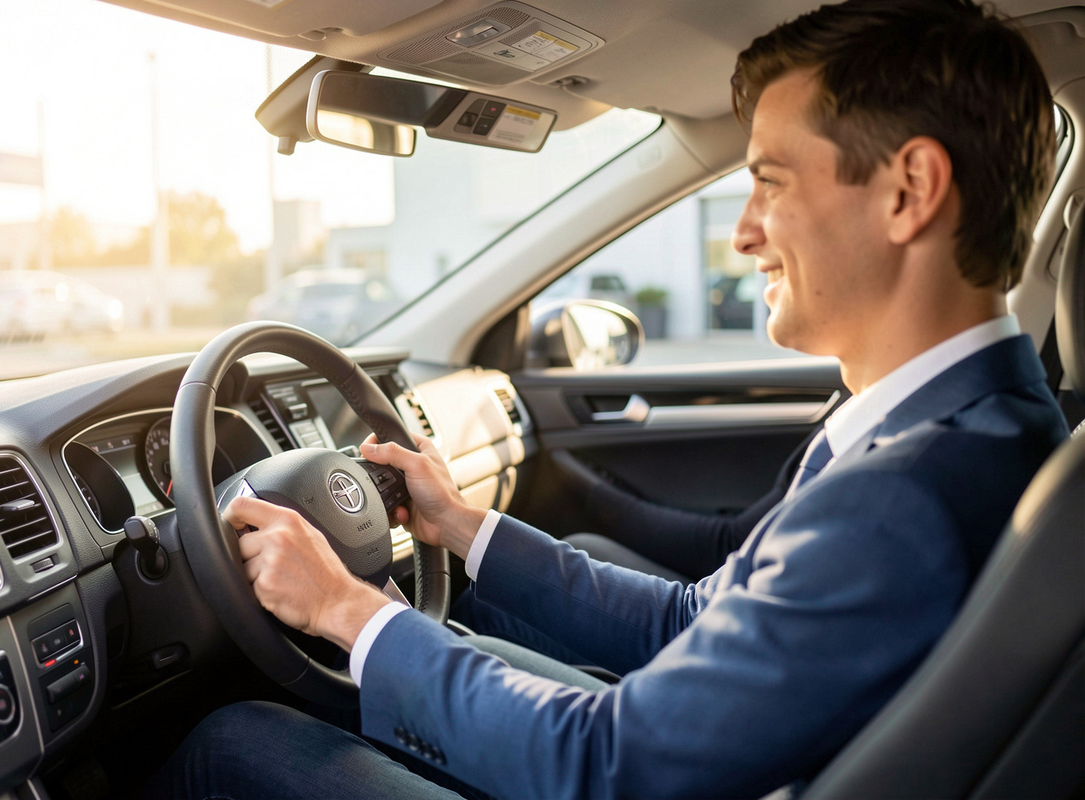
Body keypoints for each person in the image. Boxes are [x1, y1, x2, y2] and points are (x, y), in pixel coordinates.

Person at [147, 0, 1069, 797]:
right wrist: (464, 527)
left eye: (770, 184)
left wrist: (346, 609)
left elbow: (602, 770)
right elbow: (691, 620)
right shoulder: (980, 429)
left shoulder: (903, 498)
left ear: (910, 190)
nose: (743, 234)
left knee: (236, 746)